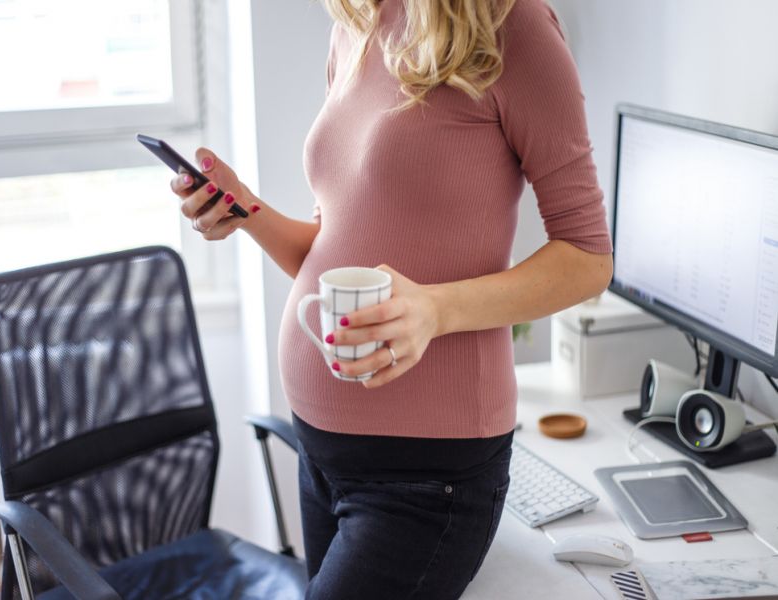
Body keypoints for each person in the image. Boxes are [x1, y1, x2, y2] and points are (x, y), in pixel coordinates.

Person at [170, 0, 613, 597]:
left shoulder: (515, 25)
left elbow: (588, 258)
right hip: (320, 452)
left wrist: (436, 310)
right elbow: (335, 244)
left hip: (426, 479)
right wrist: (245, 209)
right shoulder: (355, 25)